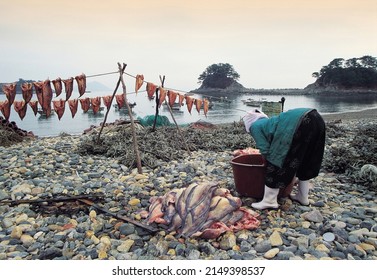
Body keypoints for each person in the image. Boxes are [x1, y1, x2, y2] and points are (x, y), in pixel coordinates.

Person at [243, 108, 326, 210]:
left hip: (300, 122)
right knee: (305, 159)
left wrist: (268, 164)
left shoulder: (254, 126)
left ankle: (269, 201)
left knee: (276, 159)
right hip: (316, 118)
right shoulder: (270, 122)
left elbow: (265, 149)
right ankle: (303, 197)